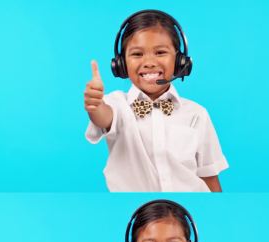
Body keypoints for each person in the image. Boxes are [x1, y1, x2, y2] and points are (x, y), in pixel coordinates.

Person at [84, 10, 228, 192]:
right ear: (121, 64)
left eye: (160, 52)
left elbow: (209, 176)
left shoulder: (196, 114)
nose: (149, 62)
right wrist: (95, 105)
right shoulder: (117, 104)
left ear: (180, 61)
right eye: (137, 54)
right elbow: (103, 116)